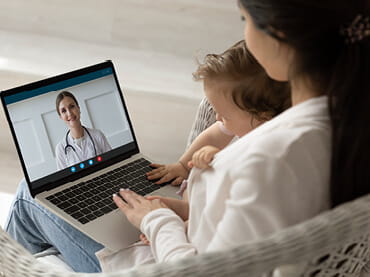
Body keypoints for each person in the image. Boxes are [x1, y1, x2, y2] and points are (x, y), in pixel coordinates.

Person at [5, 0, 370, 273]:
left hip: (156, 261)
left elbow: (203, 270)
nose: (243, 32)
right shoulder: (346, 121)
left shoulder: (269, 159)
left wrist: (156, 221)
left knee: (28, 195)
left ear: (280, 36)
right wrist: (174, 210)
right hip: (175, 233)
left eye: (245, 19)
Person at [146, 40, 290, 192]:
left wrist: (221, 161)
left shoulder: (272, 150)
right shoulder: (247, 119)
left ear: (264, 117)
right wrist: (183, 166)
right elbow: (213, 136)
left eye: (225, 117)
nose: (217, 118)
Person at [55, 91, 112, 170]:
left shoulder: (98, 135)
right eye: (64, 111)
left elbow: (112, 163)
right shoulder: (60, 149)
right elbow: (64, 180)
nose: (69, 113)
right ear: (61, 117)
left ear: (78, 108)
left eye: (72, 106)